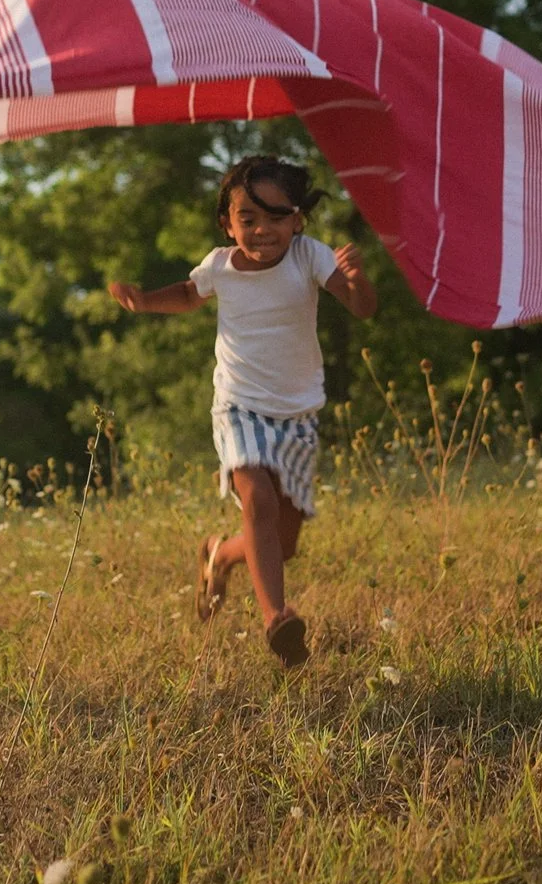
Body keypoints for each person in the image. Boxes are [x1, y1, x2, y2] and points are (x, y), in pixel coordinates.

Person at [107, 156, 377, 667]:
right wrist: (144, 301)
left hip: (297, 414)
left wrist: (357, 279)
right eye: (247, 218)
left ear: (297, 220)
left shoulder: (310, 257)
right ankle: (277, 617)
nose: (261, 230)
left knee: (283, 543)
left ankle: (218, 555)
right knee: (257, 501)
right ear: (228, 225)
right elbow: (187, 295)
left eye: (276, 217)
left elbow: (362, 308)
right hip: (240, 406)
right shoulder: (220, 266)